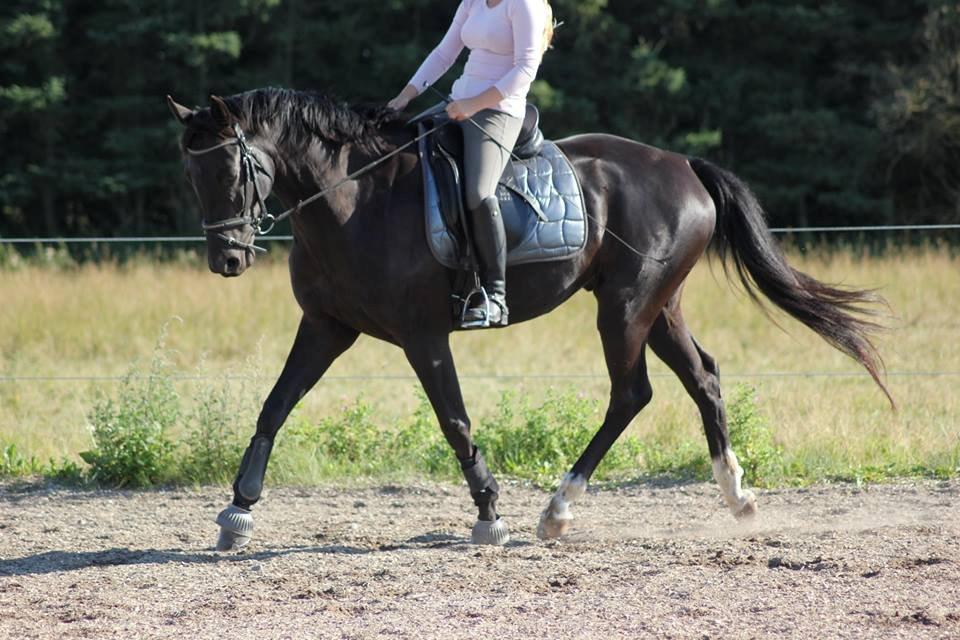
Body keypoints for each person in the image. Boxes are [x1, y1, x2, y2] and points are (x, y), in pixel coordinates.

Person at [388, 0, 553, 328]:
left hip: (498, 111)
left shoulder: (523, 5)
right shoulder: (472, 2)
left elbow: (525, 69)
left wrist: (475, 104)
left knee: (478, 192)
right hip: (458, 102)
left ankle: (496, 295)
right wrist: (404, 96)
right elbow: (443, 53)